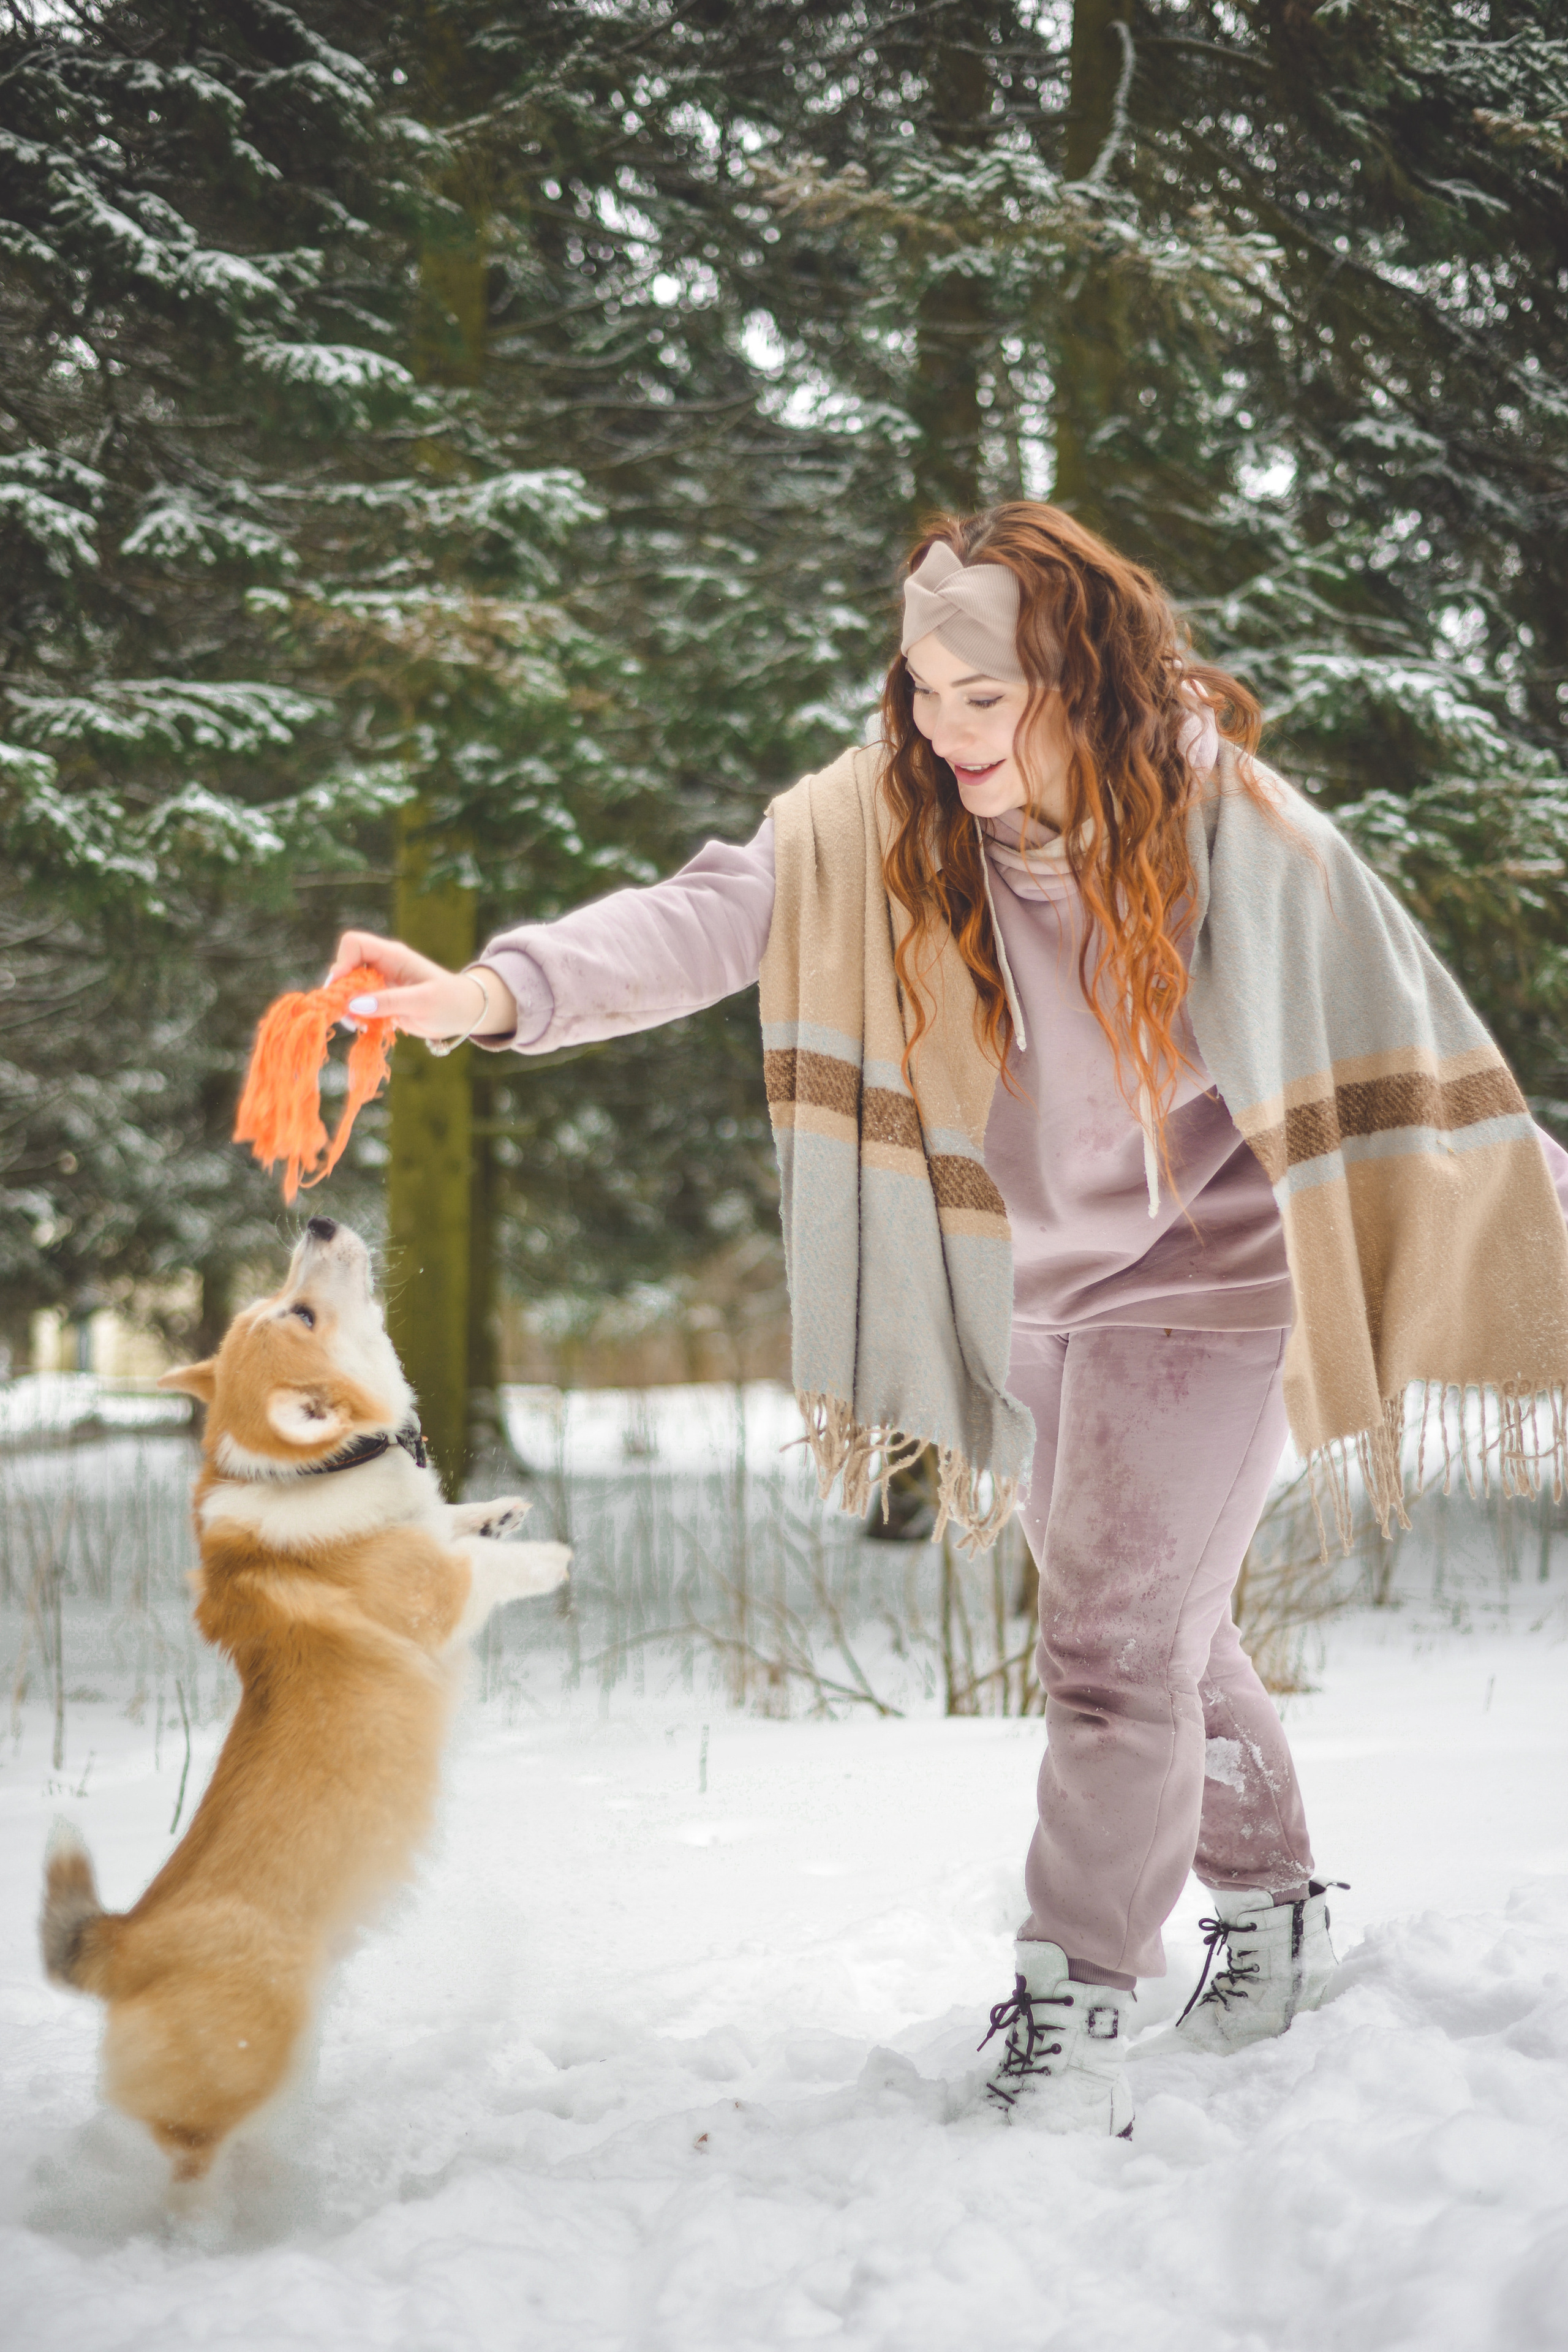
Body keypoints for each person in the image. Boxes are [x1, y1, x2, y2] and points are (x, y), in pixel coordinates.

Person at [331, 502, 1568, 2139]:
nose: (948, 731)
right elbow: (713, 913)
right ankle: (1273, 1918)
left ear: (1083, 684)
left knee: (1112, 1652)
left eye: (987, 698)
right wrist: (489, 994)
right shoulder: (892, 824)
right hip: (1037, 1287)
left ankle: (1078, 2003)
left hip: (1220, 1284)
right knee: (1168, 1632)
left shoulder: (1229, 833)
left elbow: (1414, 1064)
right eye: (924, 692)